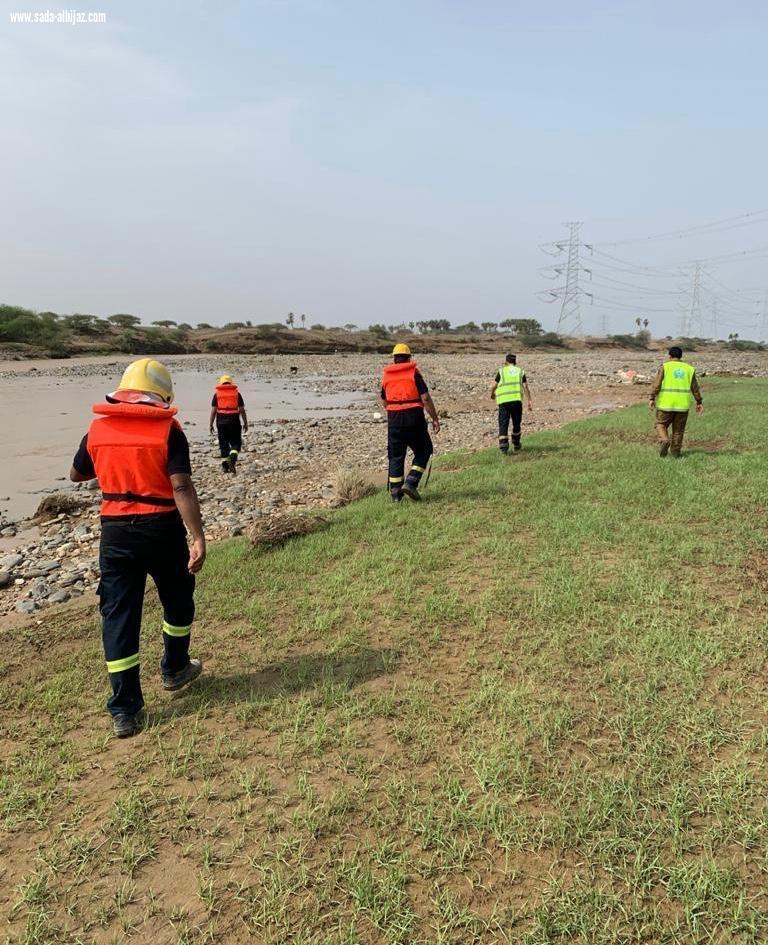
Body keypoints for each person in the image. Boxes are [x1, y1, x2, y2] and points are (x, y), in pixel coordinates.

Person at [69, 358, 206, 738]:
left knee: (119, 616)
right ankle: (175, 668)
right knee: (177, 599)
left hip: (116, 534)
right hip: (162, 530)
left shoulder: (98, 428)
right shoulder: (169, 431)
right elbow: (181, 486)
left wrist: (113, 460)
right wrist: (197, 536)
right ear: (162, 395)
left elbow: (77, 473)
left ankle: (124, 710)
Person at [380, 343, 440, 501]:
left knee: (396, 456)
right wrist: (434, 418)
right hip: (414, 418)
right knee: (424, 450)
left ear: (394, 359)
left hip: (394, 419)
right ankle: (411, 482)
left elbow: (384, 401)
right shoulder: (413, 373)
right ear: (409, 358)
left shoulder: (387, 375)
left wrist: (395, 410)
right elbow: (425, 398)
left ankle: (395, 495)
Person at [649, 346, 704, 457]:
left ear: (669, 356)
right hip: (683, 405)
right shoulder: (689, 369)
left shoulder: (665, 367)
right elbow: (695, 387)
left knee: (660, 424)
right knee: (678, 430)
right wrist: (699, 402)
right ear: (681, 356)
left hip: (666, 404)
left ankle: (665, 440)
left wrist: (652, 397)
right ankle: (675, 453)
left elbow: (657, 384)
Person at [490, 354, 533, 453]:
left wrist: (492, 394)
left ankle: (504, 448)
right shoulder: (520, 371)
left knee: (503, 423)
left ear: (506, 362)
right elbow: (525, 386)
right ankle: (516, 443)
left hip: (504, 402)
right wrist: (529, 400)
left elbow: (494, 385)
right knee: (516, 423)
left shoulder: (501, 371)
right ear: (515, 362)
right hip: (516, 401)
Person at [209, 374, 248, 474]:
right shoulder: (236, 394)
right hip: (234, 422)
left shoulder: (217, 394)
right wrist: (245, 423)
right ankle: (232, 458)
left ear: (221, 383)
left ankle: (225, 467)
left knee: (223, 445)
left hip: (221, 423)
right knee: (236, 443)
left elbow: (213, 411)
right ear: (231, 382)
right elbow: (242, 410)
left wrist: (211, 424)